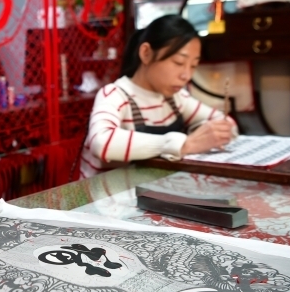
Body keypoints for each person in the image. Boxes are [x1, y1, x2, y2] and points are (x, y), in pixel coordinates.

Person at [79, 14, 237, 178]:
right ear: (146, 53)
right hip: (108, 192)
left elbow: (226, 123)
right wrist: (184, 145)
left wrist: (205, 135)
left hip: (151, 188)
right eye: (178, 62)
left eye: (193, 65)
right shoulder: (115, 95)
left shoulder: (176, 98)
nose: (186, 75)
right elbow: (102, 142)